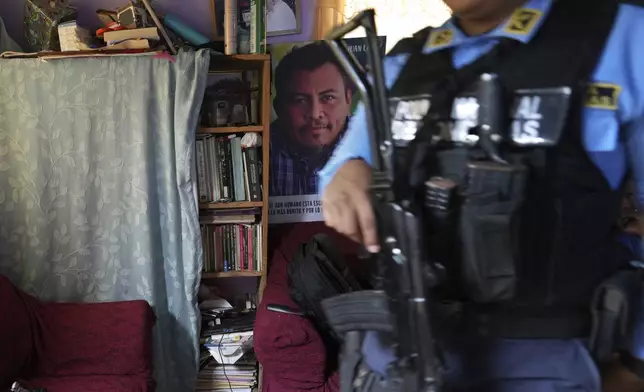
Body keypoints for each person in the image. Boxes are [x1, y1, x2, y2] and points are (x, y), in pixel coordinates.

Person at [319, 0, 644, 391]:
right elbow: (341, 170)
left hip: (548, 365)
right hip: (399, 360)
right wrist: (348, 173)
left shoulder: (623, 38)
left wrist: (637, 364)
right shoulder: (403, 64)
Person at [270, 42, 354, 197]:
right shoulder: (261, 152)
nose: (315, 114)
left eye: (328, 98)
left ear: (348, 99)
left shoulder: (373, 148)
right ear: (279, 108)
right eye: (300, 100)